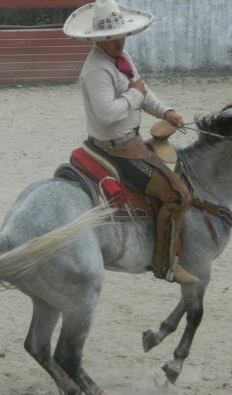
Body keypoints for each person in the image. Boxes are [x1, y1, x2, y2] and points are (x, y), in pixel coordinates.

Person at [63, 0, 198, 284]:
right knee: (178, 196)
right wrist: (135, 95)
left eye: (121, 36)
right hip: (118, 150)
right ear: (98, 39)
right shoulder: (96, 70)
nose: (119, 42)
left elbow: (142, 92)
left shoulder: (121, 60)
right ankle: (166, 264)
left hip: (131, 141)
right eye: (111, 39)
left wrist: (166, 112)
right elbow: (107, 114)